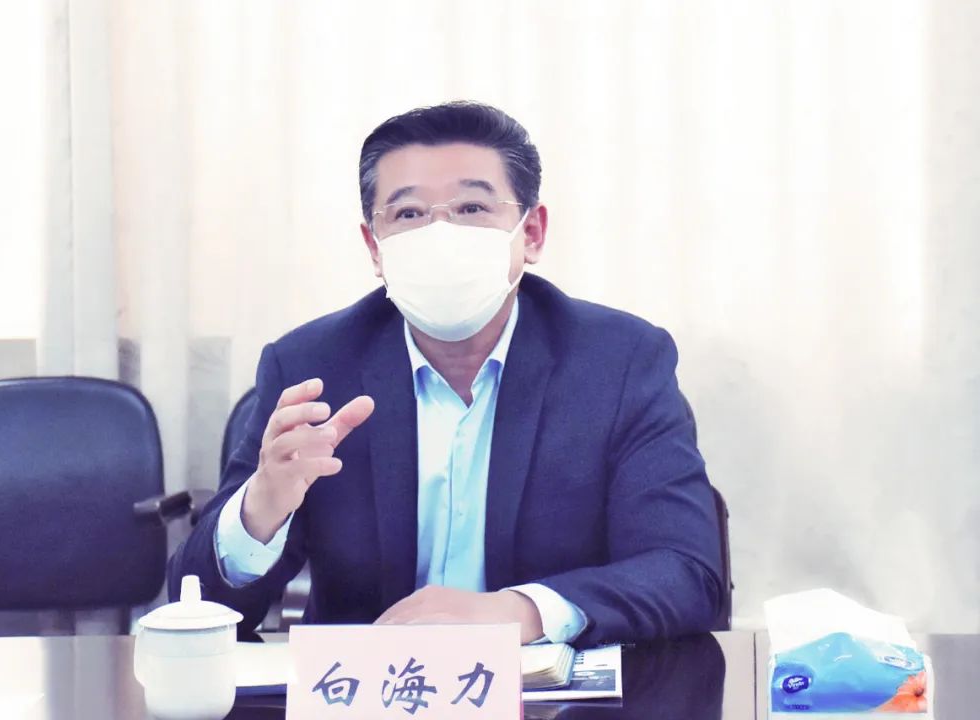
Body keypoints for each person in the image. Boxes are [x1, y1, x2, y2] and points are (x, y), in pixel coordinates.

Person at [168, 101, 724, 648]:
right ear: (374, 247)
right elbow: (198, 606)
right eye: (409, 215)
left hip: (550, 689)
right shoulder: (312, 366)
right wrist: (260, 511)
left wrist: (520, 612)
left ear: (531, 233)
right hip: (369, 688)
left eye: (472, 208)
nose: (440, 235)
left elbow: (686, 573)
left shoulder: (619, 363)